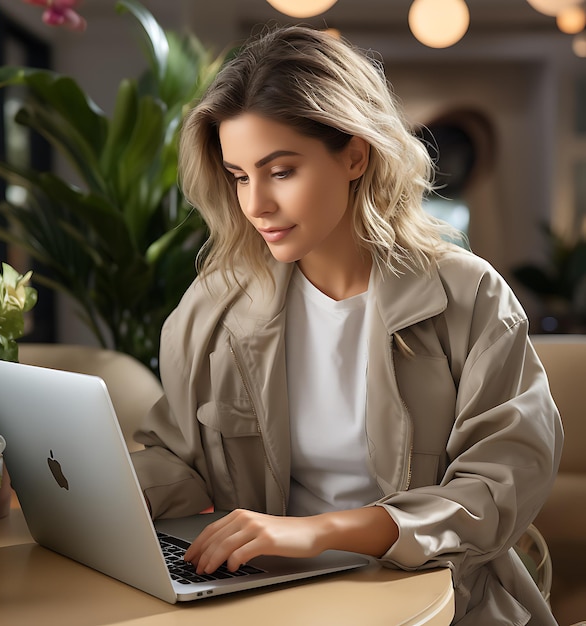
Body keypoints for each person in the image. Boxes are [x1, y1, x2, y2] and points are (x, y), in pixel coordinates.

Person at [131, 25, 563, 624]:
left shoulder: (469, 296)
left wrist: (317, 532)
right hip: (267, 603)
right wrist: (79, 492)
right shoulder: (213, 307)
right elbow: (178, 458)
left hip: (441, 601)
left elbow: (500, 485)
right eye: (238, 176)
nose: (255, 204)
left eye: (280, 171)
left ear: (355, 155)